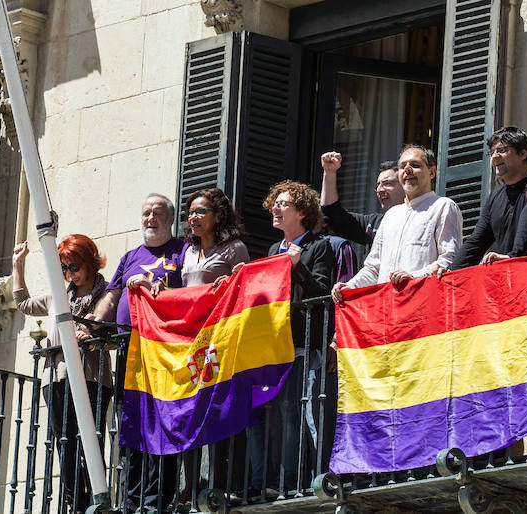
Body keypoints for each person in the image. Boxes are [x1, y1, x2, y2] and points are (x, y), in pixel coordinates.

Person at [92, 193, 187, 511]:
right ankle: (132, 500)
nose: (150, 218)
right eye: (146, 213)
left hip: (165, 352)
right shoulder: (131, 255)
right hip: (130, 351)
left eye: (157, 213)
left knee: (164, 424)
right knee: (131, 424)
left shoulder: (183, 251)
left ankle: (157, 499)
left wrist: (153, 287)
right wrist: (95, 320)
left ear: (170, 218)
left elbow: (190, 295)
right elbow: (112, 294)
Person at [12, 234, 112, 513]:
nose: (69, 274)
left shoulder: (107, 295)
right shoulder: (58, 294)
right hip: (56, 378)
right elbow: (23, 303)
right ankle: (75, 504)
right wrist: (17, 265)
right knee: (65, 442)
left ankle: (97, 499)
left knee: (92, 440)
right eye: (64, 268)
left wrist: (91, 332)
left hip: (93, 378)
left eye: (74, 267)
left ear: (90, 264)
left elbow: (116, 334)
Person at [248, 180, 335, 498]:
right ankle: (267, 481)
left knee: (295, 412)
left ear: (301, 211)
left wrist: (298, 267)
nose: (275, 208)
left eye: (283, 204)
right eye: (275, 203)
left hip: (301, 343)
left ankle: (294, 481)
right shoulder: (273, 250)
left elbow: (322, 292)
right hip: (272, 345)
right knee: (268, 414)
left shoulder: (319, 246)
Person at [179, 188, 250, 502]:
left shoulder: (234, 249)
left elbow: (244, 289)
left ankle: (221, 482)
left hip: (220, 342)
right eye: (191, 212)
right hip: (192, 344)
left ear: (218, 216)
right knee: (191, 412)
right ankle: (192, 483)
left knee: (218, 410)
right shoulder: (187, 252)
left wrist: (229, 286)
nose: (193, 217)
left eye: (201, 211)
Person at [331, 145, 462, 302]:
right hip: (386, 310)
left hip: (423, 306)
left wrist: (413, 277)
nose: (407, 169)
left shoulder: (444, 206)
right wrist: (350, 286)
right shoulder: (390, 215)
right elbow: (373, 268)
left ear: (432, 172)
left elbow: (450, 260)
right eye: (402, 166)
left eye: (415, 165)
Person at [445, 126, 527, 271]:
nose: (494, 157)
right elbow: (476, 241)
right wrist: (450, 273)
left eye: (501, 150)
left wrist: (514, 256)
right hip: (509, 279)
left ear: (523, 153)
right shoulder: (495, 196)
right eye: (491, 152)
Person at [320, 153, 405, 246]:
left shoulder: (419, 222)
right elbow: (332, 214)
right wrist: (329, 172)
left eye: (387, 183)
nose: (379, 190)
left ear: (405, 185)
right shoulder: (372, 225)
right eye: (377, 186)